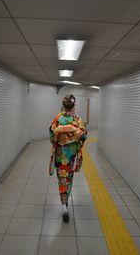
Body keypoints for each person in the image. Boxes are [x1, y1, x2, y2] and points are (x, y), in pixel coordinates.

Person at [49, 94, 87, 223]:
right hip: (71, 156)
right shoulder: (78, 120)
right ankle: (66, 202)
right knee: (69, 178)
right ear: (73, 105)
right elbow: (83, 137)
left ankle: (63, 203)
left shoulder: (57, 119)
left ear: (63, 105)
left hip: (60, 155)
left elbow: (52, 137)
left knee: (62, 179)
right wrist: (74, 141)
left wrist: (60, 136)